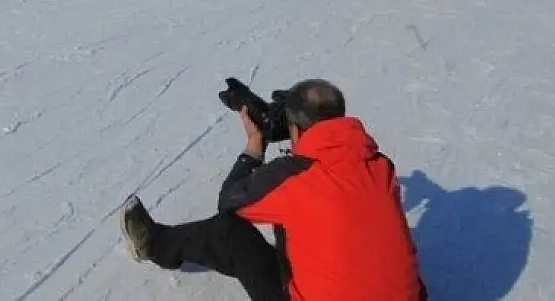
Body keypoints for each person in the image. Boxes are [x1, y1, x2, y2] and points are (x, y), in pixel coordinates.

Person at [120, 79, 427, 301]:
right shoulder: (380, 165)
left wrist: (255, 146)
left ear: (295, 129)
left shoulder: (293, 176)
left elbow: (229, 202)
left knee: (230, 231)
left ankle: (155, 244)